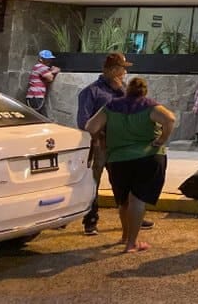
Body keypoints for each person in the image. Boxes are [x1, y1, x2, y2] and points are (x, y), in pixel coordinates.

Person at [84, 77, 175, 253]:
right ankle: (132, 243)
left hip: (118, 159)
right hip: (148, 156)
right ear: (144, 91)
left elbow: (90, 126)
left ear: (127, 90)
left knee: (123, 200)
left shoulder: (111, 106)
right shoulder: (149, 105)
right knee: (138, 199)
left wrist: (102, 136)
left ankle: (126, 236)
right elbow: (170, 119)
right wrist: (162, 139)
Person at [77, 52, 148, 237]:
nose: (123, 73)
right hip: (100, 145)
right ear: (108, 70)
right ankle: (91, 220)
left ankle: (133, 216)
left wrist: (121, 91)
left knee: (125, 182)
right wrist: (98, 135)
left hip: (121, 144)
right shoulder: (91, 91)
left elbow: (135, 106)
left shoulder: (123, 89)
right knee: (94, 183)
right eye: (119, 69)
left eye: (123, 69)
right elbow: (83, 121)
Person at [26, 50, 60, 114]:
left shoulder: (39, 67)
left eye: (50, 59)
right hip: (35, 96)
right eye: (47, 59)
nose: (49, 61)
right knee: (38, 116)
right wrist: (53, 71)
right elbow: (50, 78)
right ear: (41, 59)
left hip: (34, 96)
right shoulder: (41, 67)